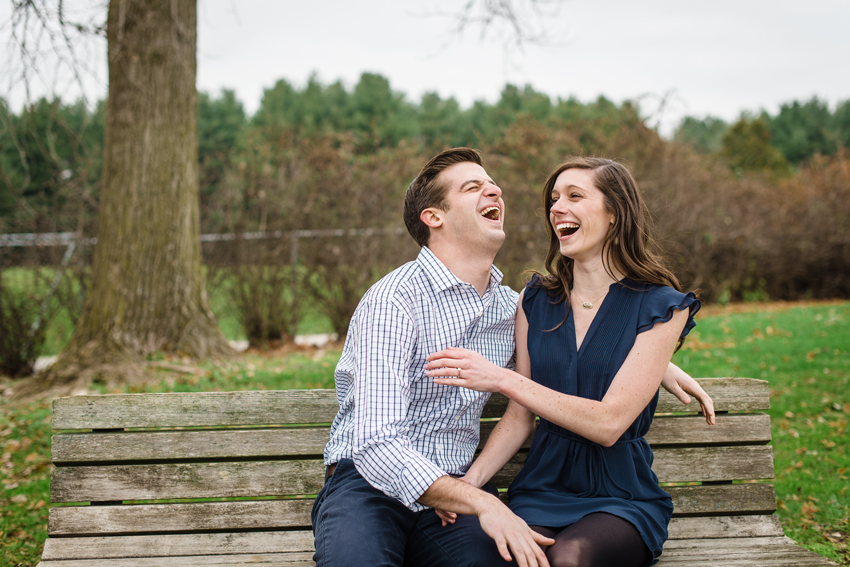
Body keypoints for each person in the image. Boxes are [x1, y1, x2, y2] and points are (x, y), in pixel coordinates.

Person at [313, 149, 713, 567]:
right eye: (473, 187)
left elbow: (580, 346)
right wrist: (482, 502)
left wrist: (655, 360)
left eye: (492, 184)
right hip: (370, 486)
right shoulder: (394, 302)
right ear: (434, 217)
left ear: (615, 214)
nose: (495, 190)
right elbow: (377, 444)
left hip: (457, 494)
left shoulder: (508, 307)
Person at [425, 157, 711, 567]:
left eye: (575, 196)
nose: (557, 207)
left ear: (614, 213)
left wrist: (502, 379)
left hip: (619, 496)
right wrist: (469, 485)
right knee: (503, 556)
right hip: (541, 487)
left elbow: (609, 424)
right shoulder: (537, 300)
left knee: (569, 558)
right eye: (554, 199)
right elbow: (520, 416)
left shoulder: (661, 306)